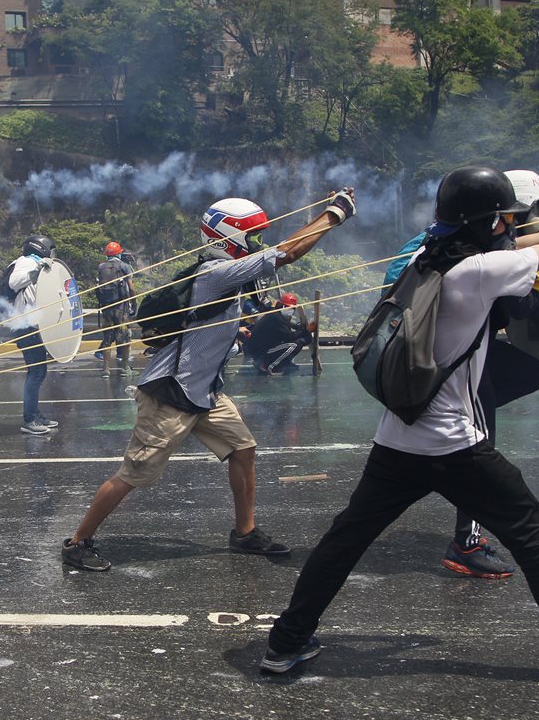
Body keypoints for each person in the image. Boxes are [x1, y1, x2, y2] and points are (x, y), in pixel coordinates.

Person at [261, 166, 539, 685]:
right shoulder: (478, 272)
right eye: (502, 220)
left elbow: (531, 239)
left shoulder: (425, 259)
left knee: (345, 540)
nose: (509, 227)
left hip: (398, 434)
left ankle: (285, 642)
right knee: (533, 531)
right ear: (485, 225)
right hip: (451, 443)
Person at [61, 191, 357, 571]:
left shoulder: (228, 273)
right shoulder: (215, 272)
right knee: (134, 474)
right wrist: (334, 215)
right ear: (229, 236)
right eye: (253, 236)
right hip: (171, 392)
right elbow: (286, 253)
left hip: (206, 390)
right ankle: (77, 541)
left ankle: (244, 533)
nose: (258, 244)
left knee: (243, 449)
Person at [382, 170, 539, 580]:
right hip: (432, 366)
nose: (516, 224)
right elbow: (524, 304)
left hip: (429, 357)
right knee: (475, 446)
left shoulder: (452, 238)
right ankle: (467, 542)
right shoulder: (470, 258)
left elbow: (528, 244)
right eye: (513, 216)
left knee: (525, 371)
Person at [7, 235, 61, 436]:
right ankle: (30, 419)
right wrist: (36, 269)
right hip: (26, 325)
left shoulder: (37, 264)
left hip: (34, 325)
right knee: (36, 373)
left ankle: (35, 414)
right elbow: (14, 283)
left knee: (39, 372)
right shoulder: (26, 262)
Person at [244, 292, 312, 375]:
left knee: (297, 342)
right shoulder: (276, 317)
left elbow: (287, 325)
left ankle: (283, 363)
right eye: (290, 308)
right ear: (283, 306)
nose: (291, 311)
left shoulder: (277, 314)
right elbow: (288, 337)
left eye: (293, 309)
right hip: (260, 352)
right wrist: (306, 331)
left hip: (261, 348)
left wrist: (299, 328)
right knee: (294, 345)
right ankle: (265, 365)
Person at [96, 241, 136, 377]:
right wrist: (134, 303)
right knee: (125, 337)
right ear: (119, 253)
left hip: (106, 308)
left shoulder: (101, 267)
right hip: (121, 308)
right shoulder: (124, 266)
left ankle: (106, 369)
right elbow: (131, 287)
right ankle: (125, 368)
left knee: (107, 338)